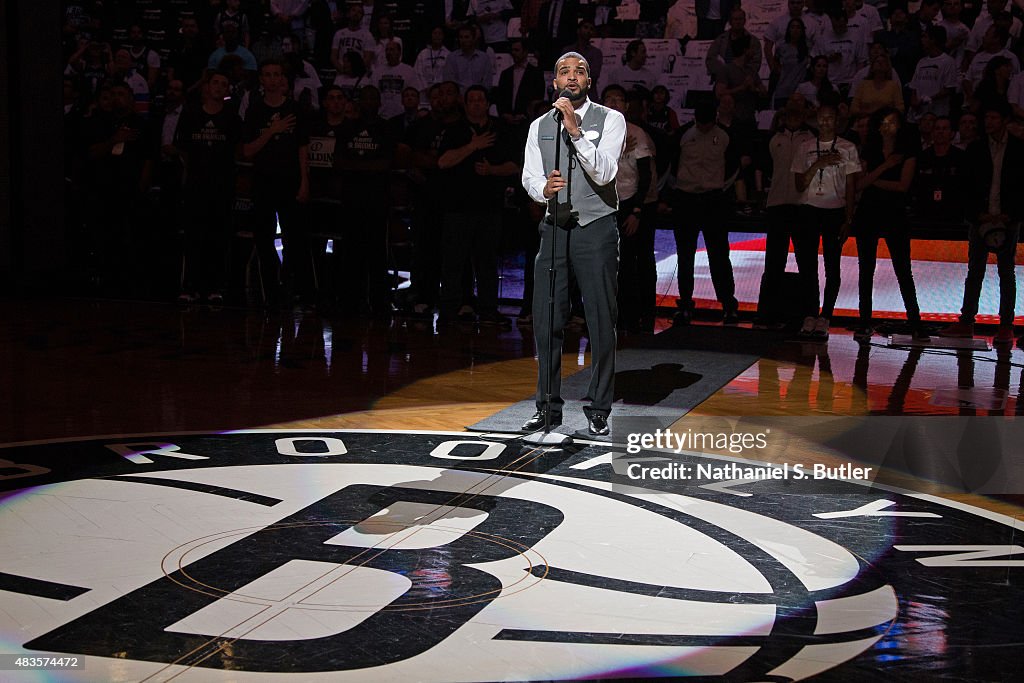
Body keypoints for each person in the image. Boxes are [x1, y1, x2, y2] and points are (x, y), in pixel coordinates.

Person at [520, 51, 626, 437]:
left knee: (600, 319)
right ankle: (547, 406)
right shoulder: (538, 126)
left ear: (589, 80)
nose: (571, 76)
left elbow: (606, 171)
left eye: (579, 70)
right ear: (554, 82)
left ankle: (599, 407)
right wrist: (541, 189)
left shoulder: (611, 119)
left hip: (596, 227)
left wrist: (576, 131)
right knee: (546, 318)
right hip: (555, 226)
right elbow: (529, 177)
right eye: (563, 71)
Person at [940, 102, 1024, 346]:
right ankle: (967, 321)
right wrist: (978, 214)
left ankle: (1006, 326)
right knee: (975, 271)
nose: (988, 122)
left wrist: (1012, 214)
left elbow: (1021, 188)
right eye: (986, 117)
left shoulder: (1019, 149)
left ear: (1004, 120)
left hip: (1008, 219)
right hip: (980, 219)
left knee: (1006, 272)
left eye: (994, 117)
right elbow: (966, 187)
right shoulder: (976, 149)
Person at [852, 108, 927, 340]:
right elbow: (858, 184)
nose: (888, 126)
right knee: (866, 269)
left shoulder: (908, 152)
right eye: (884, 122)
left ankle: (915, 322)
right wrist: (885, 168)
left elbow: (902, 186)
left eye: (892, 122)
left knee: (903, 270)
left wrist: (874, 180)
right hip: (868, 212)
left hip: (895, 213)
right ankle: (865, 322)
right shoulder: (869, 150)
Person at [791, 100, 861, 340]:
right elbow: (799, 184)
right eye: (821, 117)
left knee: (832, 265)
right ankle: (809, 314)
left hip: (835, 211)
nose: (825, 122)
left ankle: (826, 316)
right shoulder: (805, 147)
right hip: (808, 210)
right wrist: (818, 164)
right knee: (807, 265)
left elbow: (851, 185)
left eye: (830, 117)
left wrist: (849, 218)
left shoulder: (848, 147)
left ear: (837, 121)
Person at [669, 100, 740, 327]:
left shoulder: (726, 136)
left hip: (713, 200)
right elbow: (669, 164)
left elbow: (735, 166)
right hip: (686, 199)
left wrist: (719, 188)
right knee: (685, 255)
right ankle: (686, 304)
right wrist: (677, 191)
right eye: (701, 123)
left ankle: (728, 305)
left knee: (719, 254)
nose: (705, 127)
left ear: (715, 118)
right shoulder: (683, 134)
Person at [175, 71, 242, 304]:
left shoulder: (232, 118)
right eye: (216, 82)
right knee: (194, 236)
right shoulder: (191, 113)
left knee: (218, 237)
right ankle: (189, 286)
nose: (219, 87)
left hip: (222, 186)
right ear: (207, 86)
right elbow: (181, 146)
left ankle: (214, 286)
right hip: (196, 185)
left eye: (224, 84)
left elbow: (238, 149)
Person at [757, 98, 817, 328]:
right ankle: (765, 315)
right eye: (790, 112)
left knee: (807, 263)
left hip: (804, 207)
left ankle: (810, 315)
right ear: (784, 114)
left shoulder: (812, 138)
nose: (793, 116)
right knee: (773, 263)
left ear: (803, 114)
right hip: (778, 205)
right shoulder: (774, 138)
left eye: (797, 112)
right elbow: (763, 167)